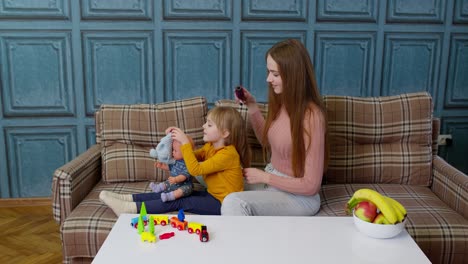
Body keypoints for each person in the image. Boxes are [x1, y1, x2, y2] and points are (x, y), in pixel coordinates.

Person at [221, 39, 328, 216]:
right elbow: (266, 139)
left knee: (234, 202)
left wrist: (264, 177)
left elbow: (311, 185)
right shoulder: (284, 102)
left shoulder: (312, 116)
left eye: (275, 74)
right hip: (273, 183)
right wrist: (252, 105)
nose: (268, 79)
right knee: (218, 175)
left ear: (293, 76)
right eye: (269, 72)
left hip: (299, 197)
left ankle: (242, 244)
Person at [99, 106, 251, 216]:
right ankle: (128, 199)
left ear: (225, 133)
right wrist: (176, 137)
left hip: (223, 204)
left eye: (209, 125)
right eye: (206, 122)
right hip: (212, 195)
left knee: (181, 201)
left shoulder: (228, 155)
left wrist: (184, 143)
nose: (203, 126)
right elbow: (189, 157)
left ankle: (130, 209)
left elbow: (195, 170)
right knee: (171, 191)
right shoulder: (210, 147)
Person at [149, 137, 194, 202]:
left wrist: (176, 179)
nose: (172, 152)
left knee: (183, 190)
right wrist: (162, 166)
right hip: (174, 182)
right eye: (173, 149)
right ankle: (159, 187)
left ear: (185, 152)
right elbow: (170, 167)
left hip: (185, 185)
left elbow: (184, 176)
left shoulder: (188, 163)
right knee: (167, 182)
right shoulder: (175, 160)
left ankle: (170, 196)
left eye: (175, 150)